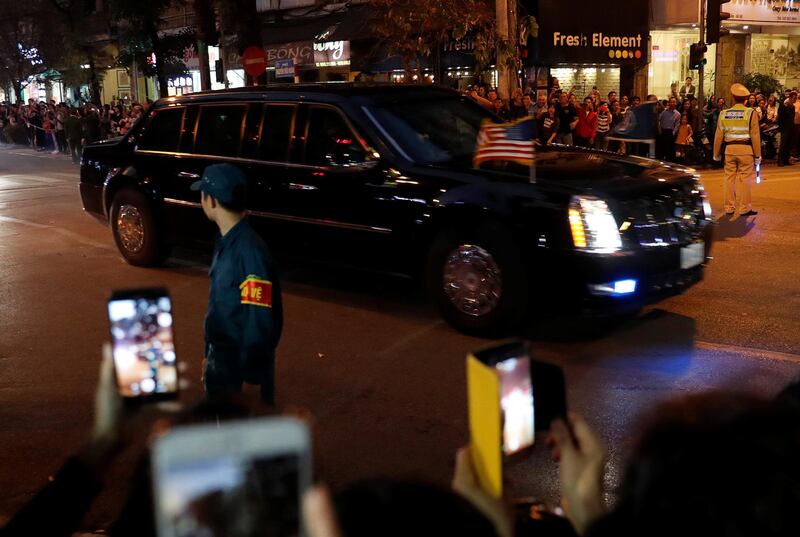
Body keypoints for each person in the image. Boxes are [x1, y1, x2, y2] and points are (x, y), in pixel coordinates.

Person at [192, 163, 283, 405]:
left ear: (211, 200)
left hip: (234, 366)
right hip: (220, 358)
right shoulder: (226, 242)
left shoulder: (248, 252)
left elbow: (259, 318)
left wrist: (249, 372)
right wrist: (208, 357)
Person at [713, 83, 761, 217]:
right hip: (746, 150)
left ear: (733, 98)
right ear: (746, 99)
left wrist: (716, 154)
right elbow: (755, 135)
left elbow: (718, 135)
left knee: (729, 178)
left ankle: (729, 207)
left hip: (729, 150)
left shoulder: (724, 113)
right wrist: (758, 155)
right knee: (745, 179)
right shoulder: (751, 113)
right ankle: (744, 208)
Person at [778, 91, 797, 166]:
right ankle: (780, 161)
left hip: (791, 128)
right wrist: (781, 127)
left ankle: (786, 160)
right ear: (790, 98)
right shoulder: (783, 105)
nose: (795, 100)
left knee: (789, 144)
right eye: (794, 98)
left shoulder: (793, 106)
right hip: (784, 128)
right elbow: (780, 117)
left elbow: (792, 118)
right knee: (783, 144)